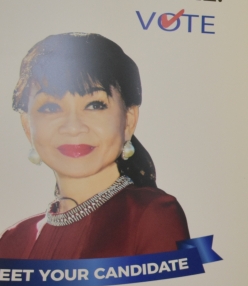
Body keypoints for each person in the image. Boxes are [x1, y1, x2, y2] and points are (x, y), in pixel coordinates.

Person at [0, 33, 189, 260]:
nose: (73, 127)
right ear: (27, 126)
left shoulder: (153, 215)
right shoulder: (13, 240)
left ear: (129, 120)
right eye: (51, 107)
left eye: (95, 105)